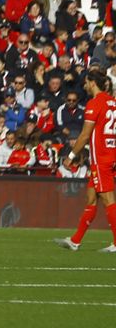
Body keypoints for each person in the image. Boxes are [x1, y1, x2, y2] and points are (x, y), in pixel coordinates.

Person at [56, 71, 116, 252]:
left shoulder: (94, 103)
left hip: (101, 158)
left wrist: (71, 157)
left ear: (92, 83)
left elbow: (84, 135)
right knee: (91, 199)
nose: (85, 86)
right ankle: (75, 241)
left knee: (108, 199)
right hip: (110, 154)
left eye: (86, 83)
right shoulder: (113, 103)